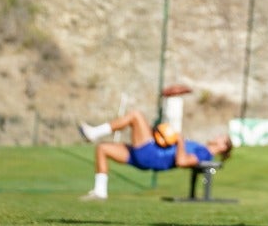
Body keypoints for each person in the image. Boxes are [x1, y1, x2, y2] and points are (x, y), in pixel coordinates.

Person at [76, 85, 231, 200]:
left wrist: (179, 140)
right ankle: (100, 191)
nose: (218, 136)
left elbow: (182, 161)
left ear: (223, 147)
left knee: (135, 115)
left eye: (221, 138)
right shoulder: (201, 146)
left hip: (152, 155)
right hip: (148, 153)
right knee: (103, 149)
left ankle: (93, 133)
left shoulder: (204, 154)